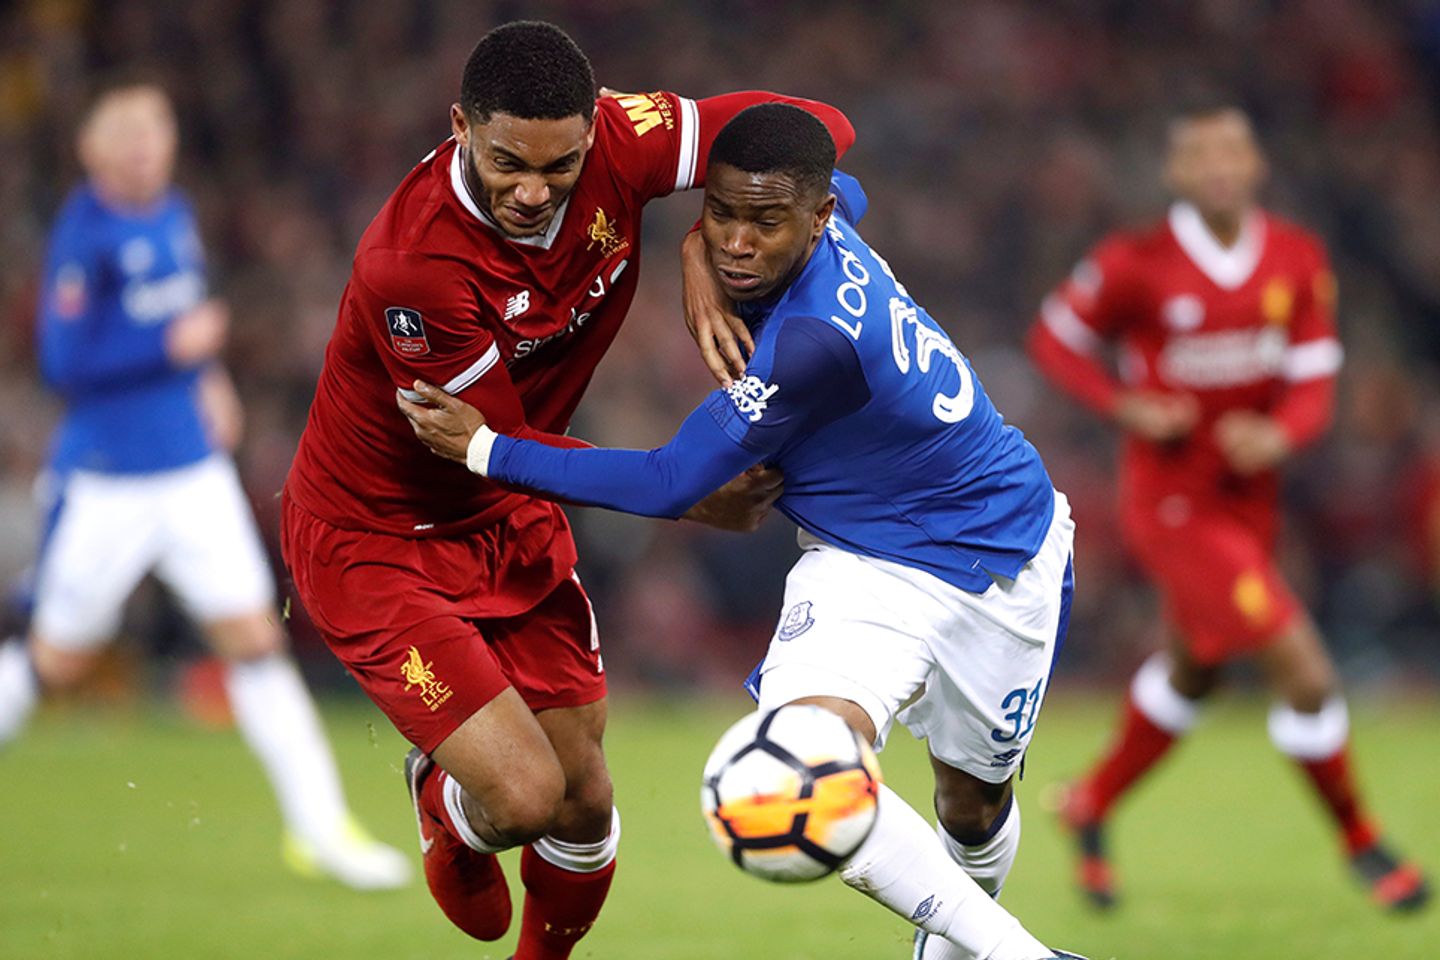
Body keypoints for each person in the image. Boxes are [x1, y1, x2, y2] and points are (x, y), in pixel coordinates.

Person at [400, 103, 1087, 960]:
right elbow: (846, 189)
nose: (737, 242)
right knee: (800, 762)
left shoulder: (813, 343)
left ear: (816, 218)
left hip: (1005, 553)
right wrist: (692, 251)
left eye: (764, 224)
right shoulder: (812, 220)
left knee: (972, 808)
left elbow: (671, 481)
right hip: (866, 565)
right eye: (720, 214)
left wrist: (488, 449)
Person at [280, 21, 855, 958]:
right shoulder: (413, 266)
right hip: (379, 539)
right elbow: (494, 445)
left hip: (506, 512)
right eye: (507, 163)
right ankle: (446, 804)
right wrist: (687, 492)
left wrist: (702, 243)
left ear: (593, 128)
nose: (533, 192)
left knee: (584, 800)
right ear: (461, 126)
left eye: (561, 165)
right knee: (524, 798)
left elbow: (816, 132)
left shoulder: (626, 140)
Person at [0, 79, 410, 891]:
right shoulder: (85, 232)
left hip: (191, 473)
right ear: (95, 151)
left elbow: (183, 328)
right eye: (129, 137)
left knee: (255, 640)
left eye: (156, 134)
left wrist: (207, 379)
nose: (145, 151)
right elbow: (63, 361)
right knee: (56, 659)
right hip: (111, 479)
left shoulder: (173, 213)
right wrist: (169, 349)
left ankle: (322, 831)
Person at [1026, 102, 1430, 912]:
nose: (1218, 167)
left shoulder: (1295, 258)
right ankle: (1361, 841)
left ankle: (1089, 804)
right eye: (1201, 155)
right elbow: (1055, 338)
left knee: (1196, 671)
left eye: (1232, 152)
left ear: (1255, 165)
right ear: (1175, 172)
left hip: (1249, 503)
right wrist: (1125, 406)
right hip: (1172, 505)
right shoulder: (1135, 261)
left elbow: (1314, 381)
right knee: (1305, 670)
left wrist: (1280, 434)